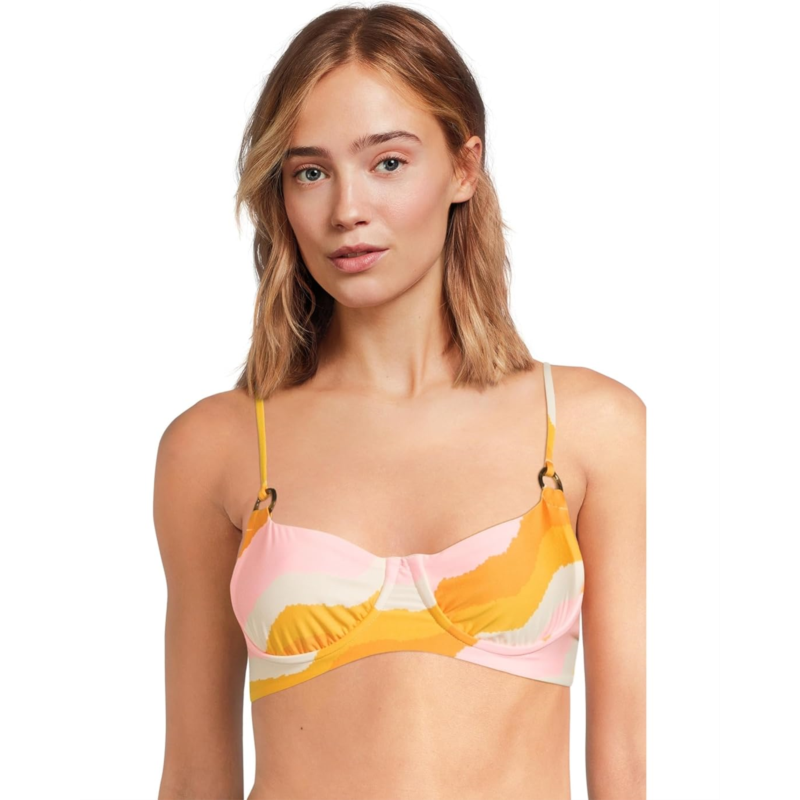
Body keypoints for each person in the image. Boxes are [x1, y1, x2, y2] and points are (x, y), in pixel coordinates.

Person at [153, 4, 646, 799]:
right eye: (310, 172)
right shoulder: (215, 447)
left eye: (387, 162)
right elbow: (193, 775)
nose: (347, 209)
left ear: (463, 167)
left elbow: (627, 763)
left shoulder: (593, 428)